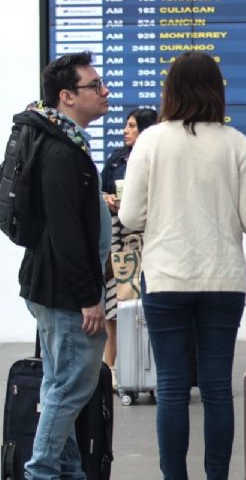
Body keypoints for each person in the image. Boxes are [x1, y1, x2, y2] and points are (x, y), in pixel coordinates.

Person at [119, 51, 246, 480]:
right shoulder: (236, 143)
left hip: (167, 277)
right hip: (223, 279)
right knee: (215, 389)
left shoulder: (150, 141)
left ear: (170, 90)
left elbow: (131, 217)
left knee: (171, 386)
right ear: (216, 91)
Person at [19, 51, 113, 478]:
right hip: (66, 293)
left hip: (55, 288)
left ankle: (68, 471)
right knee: (69, 388)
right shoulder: (61, 152)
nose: (104, 91)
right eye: (94, 85)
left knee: (62, 387)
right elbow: (67, 235)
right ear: (66, 97)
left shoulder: (62, 143)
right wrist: (89, 298)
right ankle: (41, 472)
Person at [100, 107, 157, 387]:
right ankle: (110, 368)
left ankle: (148, 369)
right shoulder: (115, 159)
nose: (125, 130)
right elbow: (99, 189)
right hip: (118, 237)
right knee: (114, 302)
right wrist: (106, 198)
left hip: (148, 235)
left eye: (132, 126)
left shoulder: (157, 158)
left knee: (145, 303)